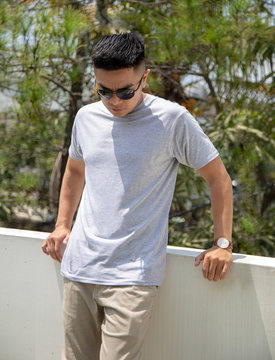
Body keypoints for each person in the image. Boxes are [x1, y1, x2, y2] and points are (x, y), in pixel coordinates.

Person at [42, 32, 233, 360]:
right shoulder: (86, 118)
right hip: (79, 268)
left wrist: (222, 243)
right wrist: (62, 224)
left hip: (133, 277)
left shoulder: (172, 120)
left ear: (144, 78)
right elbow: (75, 171)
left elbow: (219, 178)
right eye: (103, 91)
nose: (114, 101)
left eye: (124, 91)